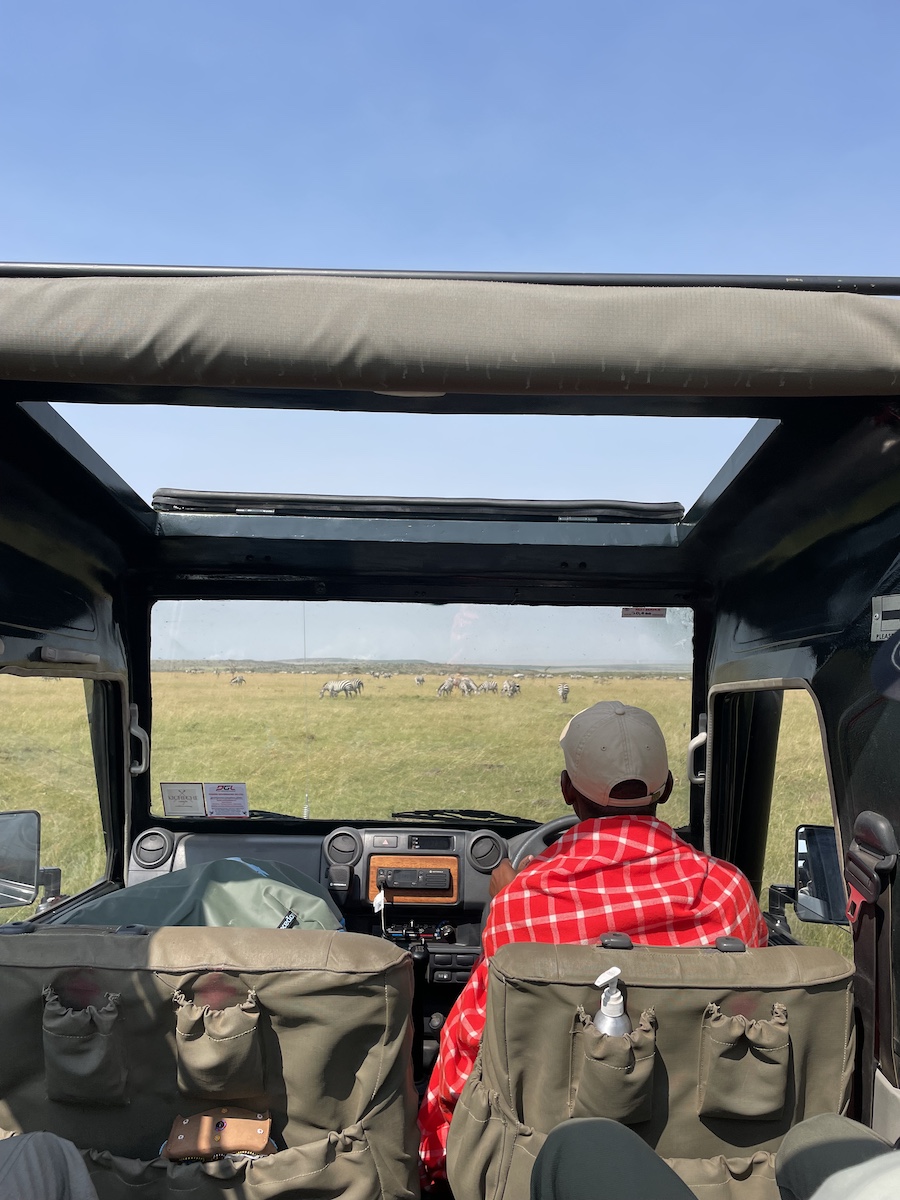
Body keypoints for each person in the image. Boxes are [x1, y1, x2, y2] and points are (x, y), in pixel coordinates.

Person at [418, 700, 768, 1189]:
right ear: (665, 787)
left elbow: (473, 1051)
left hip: (554, 1157)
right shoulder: (729, 891)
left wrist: (434, 1163)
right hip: (704, 1165)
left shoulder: (520, 902)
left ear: (567, 789)